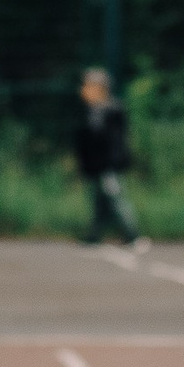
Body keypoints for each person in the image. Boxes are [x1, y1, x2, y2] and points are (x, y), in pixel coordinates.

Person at [74, 67, 139, 246]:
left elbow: (113, 143)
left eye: (86, 86)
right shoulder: (89, 112)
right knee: (98, 202)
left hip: (108, 165)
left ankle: (132, 234)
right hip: (96, 166)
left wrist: (111, 163)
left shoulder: (110, 111)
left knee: (115, 198)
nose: (82, 90)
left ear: (99, 88)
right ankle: (94, 235)